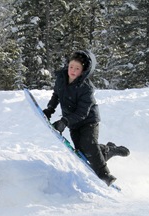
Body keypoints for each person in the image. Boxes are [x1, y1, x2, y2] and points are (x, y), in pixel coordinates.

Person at [42, 50, 130, 186]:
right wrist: (49, 109)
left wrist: (64, 121)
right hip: (73, 122)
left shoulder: (86, 88)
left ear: (83, 71)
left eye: (77, 68)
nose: (72, 70)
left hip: (89, 121)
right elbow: (56, 95)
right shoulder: (61, 79)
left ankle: (105, 174)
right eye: (71, 66)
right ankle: (109, 149)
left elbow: (82, 113)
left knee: (90, 146)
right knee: (84, 152)